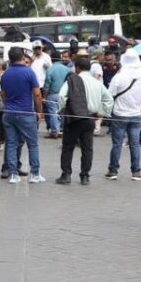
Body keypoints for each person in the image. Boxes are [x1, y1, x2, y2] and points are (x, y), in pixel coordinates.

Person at [57, 55, 113, 185]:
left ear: (77, 68)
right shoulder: (97, 82)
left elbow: (61, 96)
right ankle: (85, 176)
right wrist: (102, 113)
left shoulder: (72, 80)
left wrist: (62, 110)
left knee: (68, 147)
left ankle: (66, 175)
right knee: (87, 148)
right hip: (90, 117)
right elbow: (109, 99)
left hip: (74, 117)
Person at [0, 47, 45, 185]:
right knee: (32, 144)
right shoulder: (29, 72)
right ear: (22, 57)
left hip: (9, 113)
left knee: (12, 144)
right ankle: (35, 174)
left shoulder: (6, 74)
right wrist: (40, 111)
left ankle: (13, 174)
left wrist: (9, 104)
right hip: (25, 112)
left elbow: (3, 94)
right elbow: (37, 94)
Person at [105, 49, 141, 181]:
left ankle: (113, 170)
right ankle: (136, 171)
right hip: (136, 113)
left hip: (119, 113)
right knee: (135, 144)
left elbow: (110, 94)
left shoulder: (118, 77)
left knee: (117, 144)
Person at [43, 51, 71, 139]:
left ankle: (55, 131)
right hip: (64, 94)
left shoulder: (50, 69)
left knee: (53, 113)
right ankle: (62, 130)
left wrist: (44, 96)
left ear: (51, 59)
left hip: (53, 94)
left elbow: (47, 85)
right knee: (63, 112)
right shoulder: (67, 69)